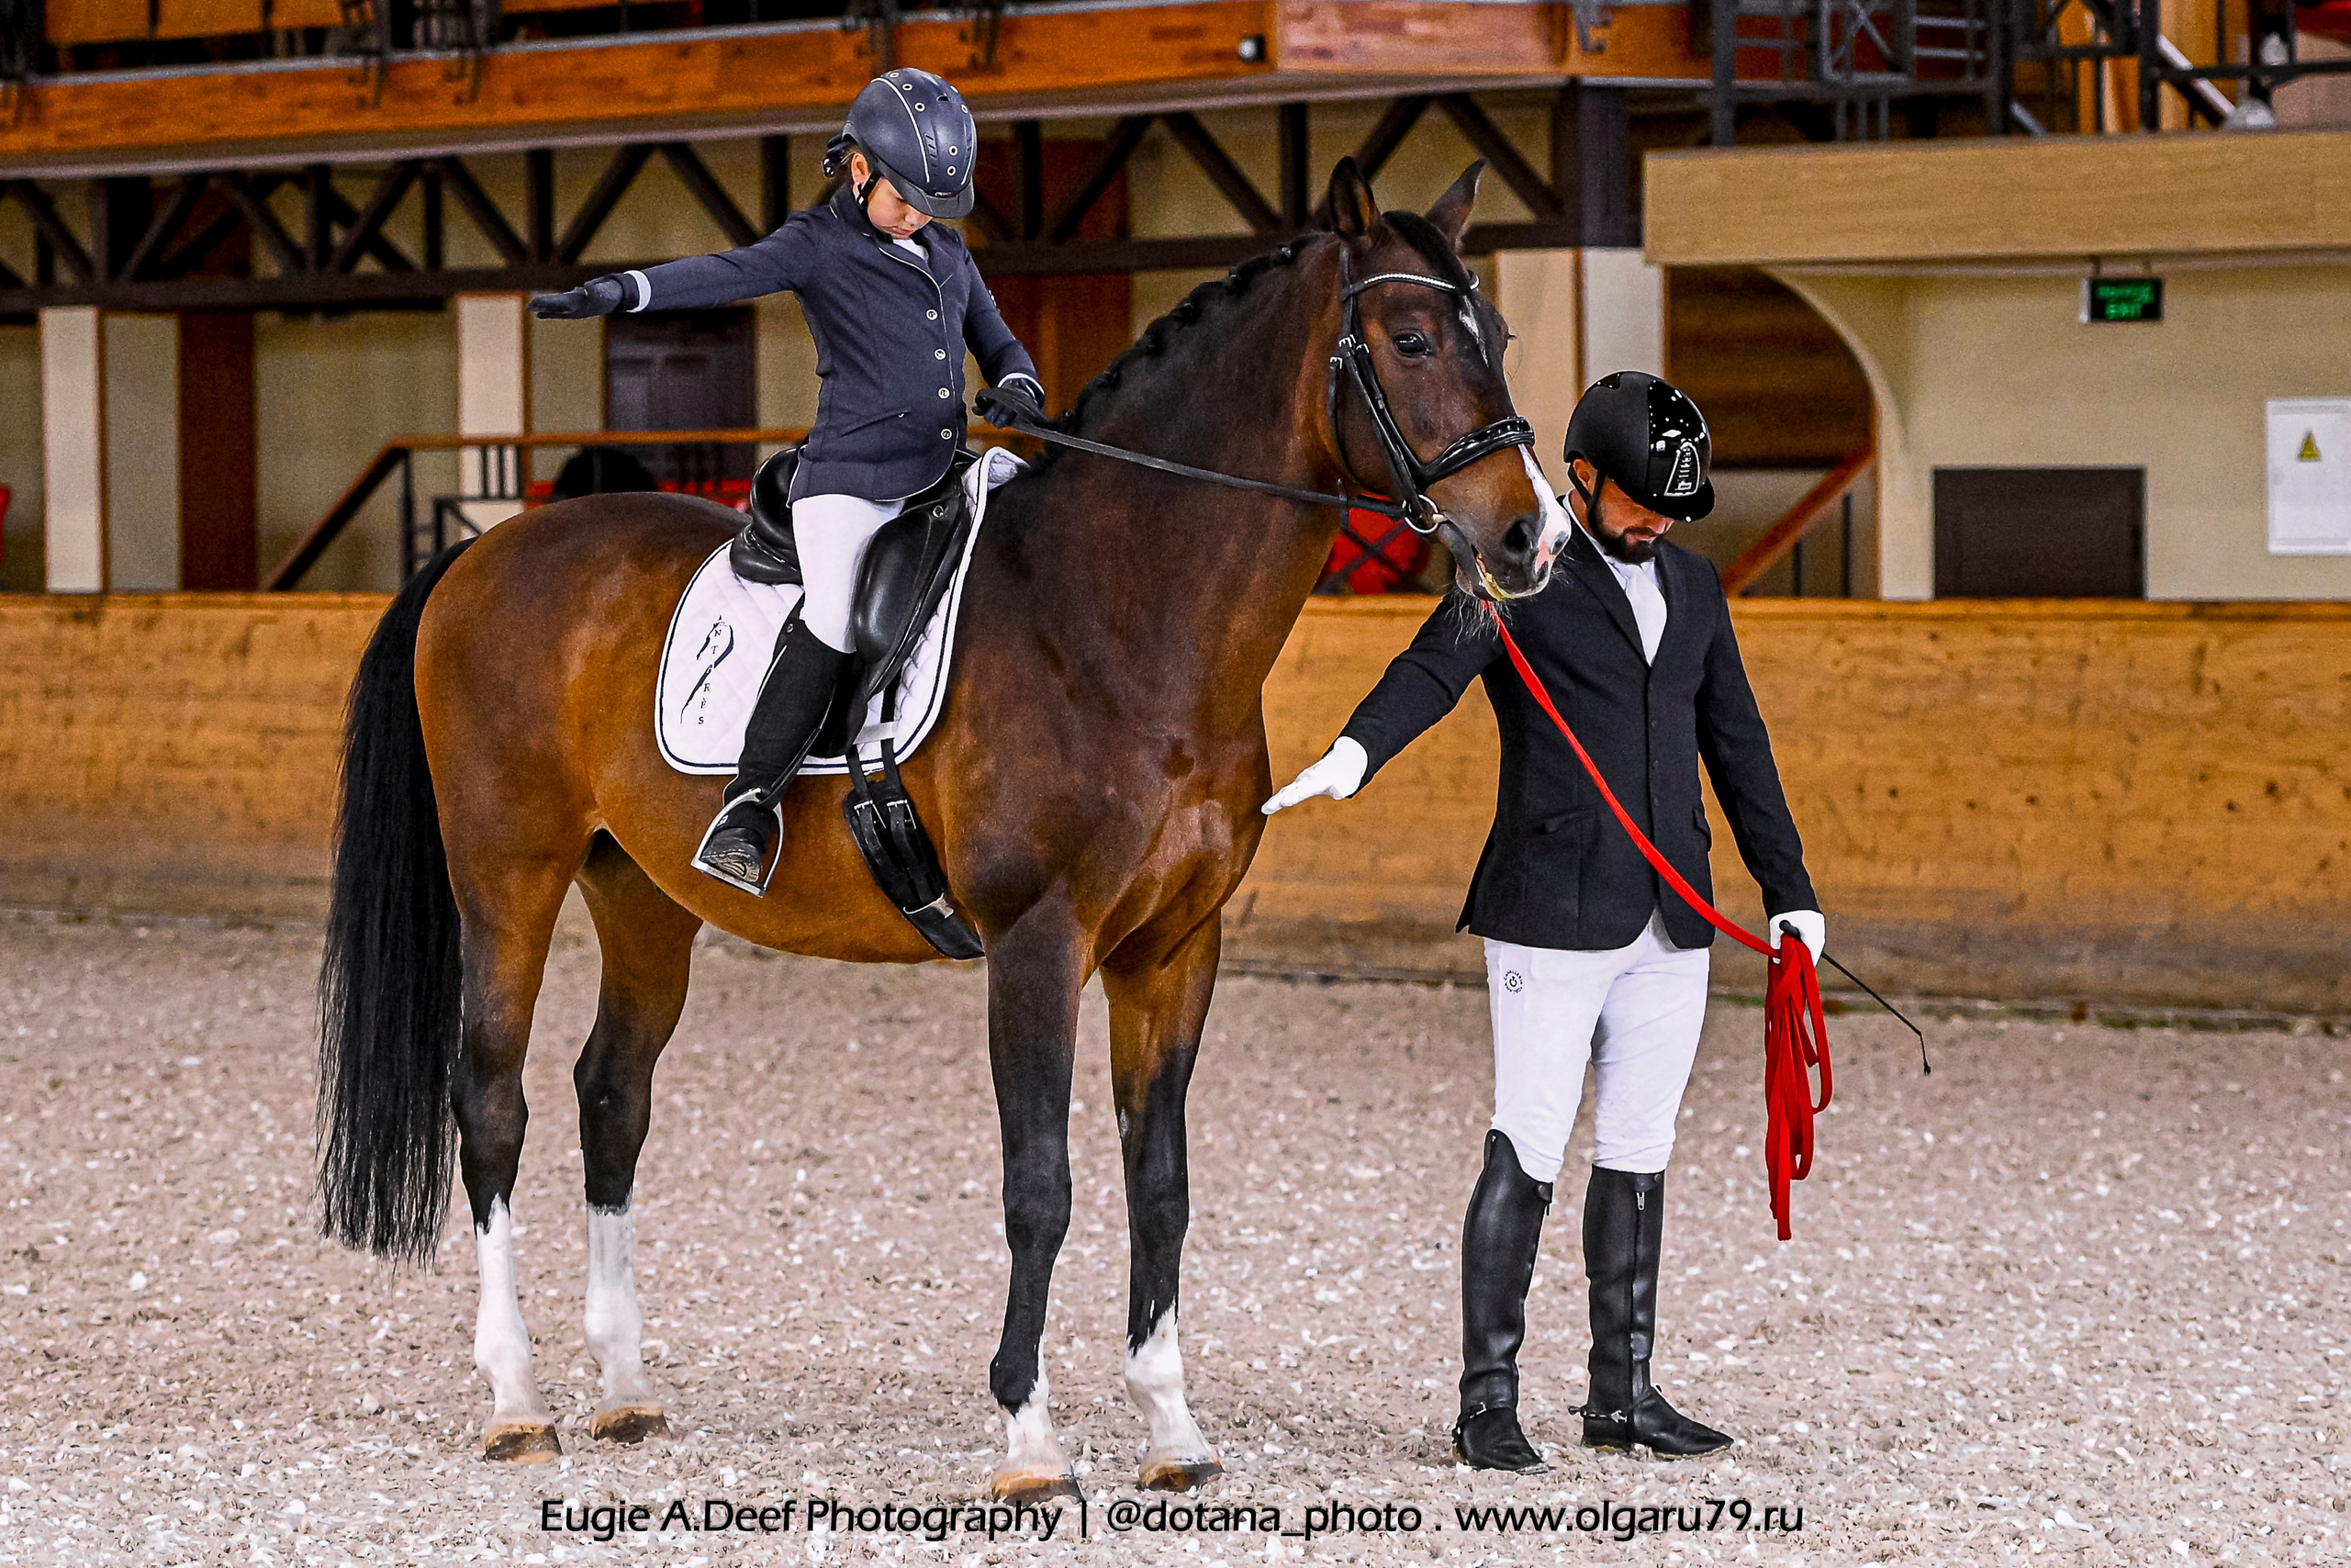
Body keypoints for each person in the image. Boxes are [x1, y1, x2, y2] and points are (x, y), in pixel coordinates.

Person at [1263, 371, 1824, 1469]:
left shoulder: (1697, 592)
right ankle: (1485, 1406)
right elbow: (1432, 667)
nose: (1655, 521)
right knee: (1526, 1142)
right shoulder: (1513, 572)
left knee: (1637, 1148)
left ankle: (1622, 1396)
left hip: (1672, 915)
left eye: (1672, 505)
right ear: (1579, 474)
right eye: (1635, 501)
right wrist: (1353, 752)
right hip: (1550, 910)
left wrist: (1789, 888)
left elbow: (1738, 747)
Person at [530, 68, 1045, 894]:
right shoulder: (817, 245)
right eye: (906, 197)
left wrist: (1019, 386)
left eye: (933, 206)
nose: (918, 216)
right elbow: (722, 272)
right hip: (850, 482)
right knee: (836, 612)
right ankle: (749, 805)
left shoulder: (947, 251)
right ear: (858, 169)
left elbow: (1000, 342)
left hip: (941, 474)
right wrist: (620, 292)